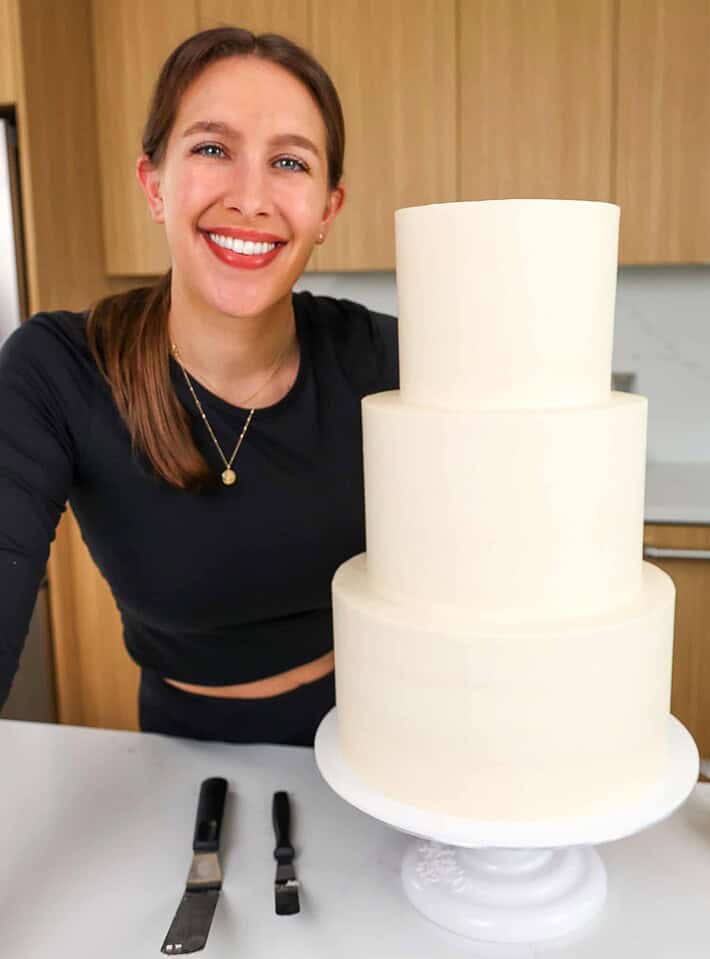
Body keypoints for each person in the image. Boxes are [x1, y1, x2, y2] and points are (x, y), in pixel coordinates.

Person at [0, 27, 398, 746]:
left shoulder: (380, 358)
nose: (251, 198)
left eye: (288, 161)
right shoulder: (56, 371)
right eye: (213, 149)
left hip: (374, 731)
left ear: (327, 212)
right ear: (155, 184)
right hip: (179, 754)